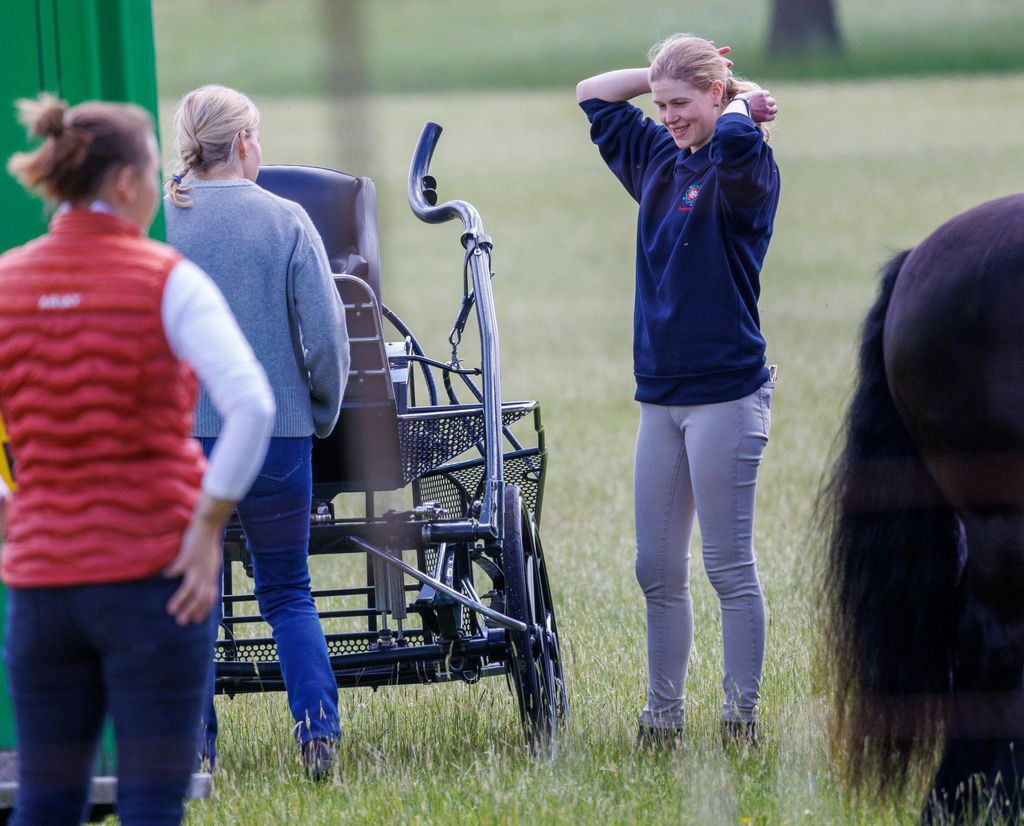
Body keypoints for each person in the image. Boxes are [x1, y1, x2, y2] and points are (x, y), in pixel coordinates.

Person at [0, 94, 275, 825]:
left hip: (42, 590)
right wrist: (207, 524)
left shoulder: (7, 282)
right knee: (153, 803)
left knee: (45, 804)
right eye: (154, 169)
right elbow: (251, 404)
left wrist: (9, 514)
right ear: (125, 183)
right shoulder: (164, 279)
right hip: (154, 580)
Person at [576, 34, 781, 747]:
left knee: (728, 566)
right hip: (659, 398)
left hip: (726, 394)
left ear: (717, 101)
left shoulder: (744, 162)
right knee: (655, 568)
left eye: (680, 104)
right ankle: (661, 719)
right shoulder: (658, 158)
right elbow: (591, 92)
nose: (667, 116)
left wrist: (738, 99)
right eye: (660, 105)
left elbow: (732, 138)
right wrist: (671, 74)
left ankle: (739, 719)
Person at [164, 84, 350, 779]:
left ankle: (195, 749)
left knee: (190, 597)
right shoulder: (286, 220)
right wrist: (319, 413)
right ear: (244, 143)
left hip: (181, 444)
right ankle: (316, 732)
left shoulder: (157, 221)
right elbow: (327, 339)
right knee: (288, 592)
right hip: (277, 437)